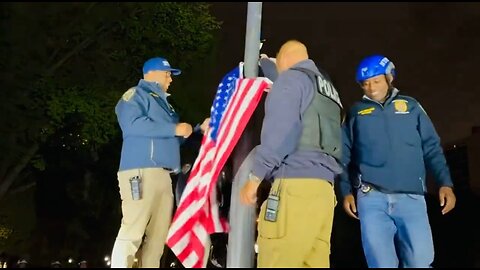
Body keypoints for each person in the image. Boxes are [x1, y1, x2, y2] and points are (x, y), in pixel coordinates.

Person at [338, 54, 456, 268]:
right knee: (381, 264)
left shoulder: (411, 107)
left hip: (411, 198)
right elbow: (344, 154)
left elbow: (431, 147)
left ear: (389, 78)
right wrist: (345, 190)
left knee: (420, 262)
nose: (371, 88)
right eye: (365, 84)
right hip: (371, 199)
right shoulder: (355, 113)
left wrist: (444, 183)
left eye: (376, 81)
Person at [240, 40, 344, 268]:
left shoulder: (290, 80)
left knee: (278, 259)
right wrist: (267, 63)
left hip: (295, 189)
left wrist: (254, 178)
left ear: (285, 59)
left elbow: (280, 132)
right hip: (324, 194)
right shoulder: (328, 90)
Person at [111, 56, 209, 268]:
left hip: (165, 176)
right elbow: (132, 125)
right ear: (152, 74)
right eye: (167, 74)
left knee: (158, 237)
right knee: (133, 230)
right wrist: (174, 129)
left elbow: (174, 140)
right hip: (140, 171)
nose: (170, 79)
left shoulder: (167, 107)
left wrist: (199, 130)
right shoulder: (135, 95)